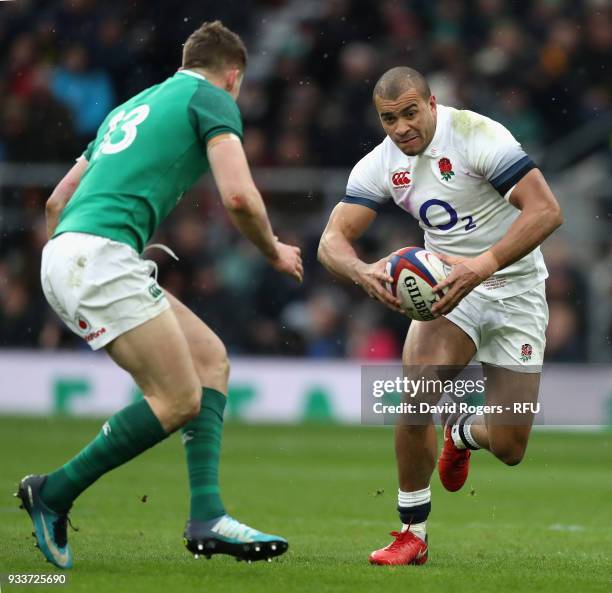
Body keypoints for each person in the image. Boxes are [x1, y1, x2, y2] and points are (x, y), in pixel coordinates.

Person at [17, 21, 302, 569]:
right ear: (234, 77)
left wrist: (93, 253)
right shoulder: (212, 98)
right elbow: (240, 197)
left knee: (209, 361)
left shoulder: (130, 107)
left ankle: (207, 516)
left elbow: (57, 202)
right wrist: (273, 251)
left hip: (75, 251)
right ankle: (53, 492)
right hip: (98, 259)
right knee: (177, 401)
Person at [318, 66, 562, 565]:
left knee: (511, 445)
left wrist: (482, 266)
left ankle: (464, 433)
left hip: (513, 289)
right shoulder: (381, 165)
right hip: (450, 294)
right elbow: (330, 242)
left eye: (410, 112)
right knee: (415, 397)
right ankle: (412, 532)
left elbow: (546, 210)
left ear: (431, 104)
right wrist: (362, 273)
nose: (402, 127)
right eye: (389, 118)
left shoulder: (477, 136)